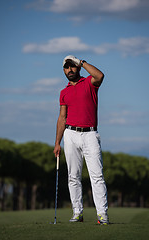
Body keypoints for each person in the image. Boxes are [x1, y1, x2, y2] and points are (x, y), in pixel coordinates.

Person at [53, 55, 109, 225]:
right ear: (64, 70)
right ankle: (77, 212)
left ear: (77, 67)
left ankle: (102, 215)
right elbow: (62, 118)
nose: (70, 70)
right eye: (66, 67)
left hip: (90, 134)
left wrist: (82, 63)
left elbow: (100, 76)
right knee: (73, 176)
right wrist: (57, 142)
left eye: (72, 66)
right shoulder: (64, 92)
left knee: (97, 176)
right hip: (70, 135)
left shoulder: (89, 83)